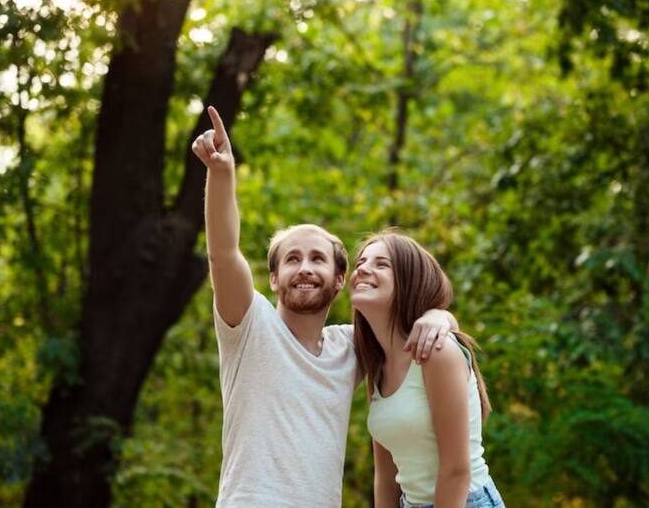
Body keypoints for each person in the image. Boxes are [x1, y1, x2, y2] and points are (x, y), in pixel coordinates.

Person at [190, 106, 459, 507]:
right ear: (274, 279)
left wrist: (440, 316)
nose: (305, 268)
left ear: (338, 280)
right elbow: (224, 253)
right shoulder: (248, 326)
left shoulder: (352, 347)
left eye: (317, 259)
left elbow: (404, 333)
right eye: (292, 259)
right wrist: (222, 174)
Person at [351, 231, 504, 508]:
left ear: (409, 281)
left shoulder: (436, 352)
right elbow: (386, 478)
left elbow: (457, 472)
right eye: (361, 262)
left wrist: (442, 315)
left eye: (381, 264)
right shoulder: (378, 366)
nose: (362, 269)